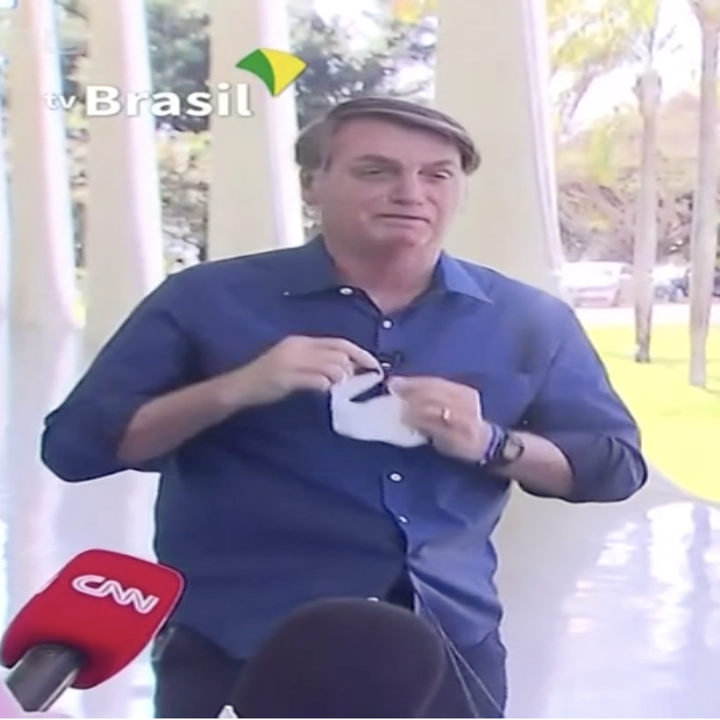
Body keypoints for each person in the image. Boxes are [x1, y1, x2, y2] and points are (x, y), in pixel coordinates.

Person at [40, 96, 648, 718]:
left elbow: (614, 467)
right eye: (376, 171)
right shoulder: (203, 300)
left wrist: (492, 442)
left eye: (437, 174)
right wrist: (235, 388)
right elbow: (75, 450)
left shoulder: (528, 319)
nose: (411, 193)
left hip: (448, 649)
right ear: (312, 184)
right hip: (237, 646)